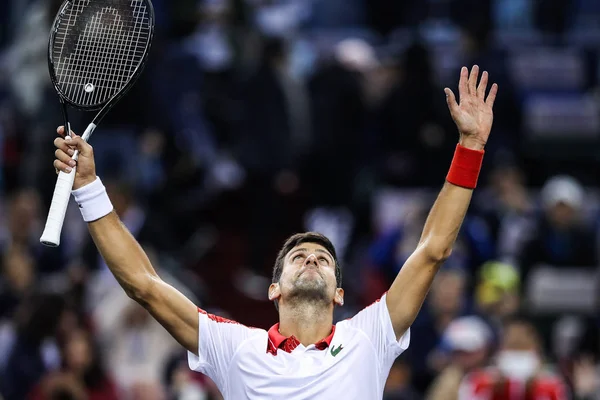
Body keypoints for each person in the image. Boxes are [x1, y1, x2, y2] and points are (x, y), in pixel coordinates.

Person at [51, 65, 497, 399]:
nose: (311, 259)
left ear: (340, 293)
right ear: (273, 289)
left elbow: (432, 249)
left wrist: (471, 146)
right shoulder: (235, 347)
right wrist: (89, 186)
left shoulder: (368, 336)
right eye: (299, 257)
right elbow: (144, 285)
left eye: (323, 259)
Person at [458, 317, 568, 399]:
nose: (517, 356)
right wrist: (495, 388)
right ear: (501, 349)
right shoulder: (477, 381)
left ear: (536, 349)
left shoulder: (553, 383)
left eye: (522, 347)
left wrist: (534, 388)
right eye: (512, 346)